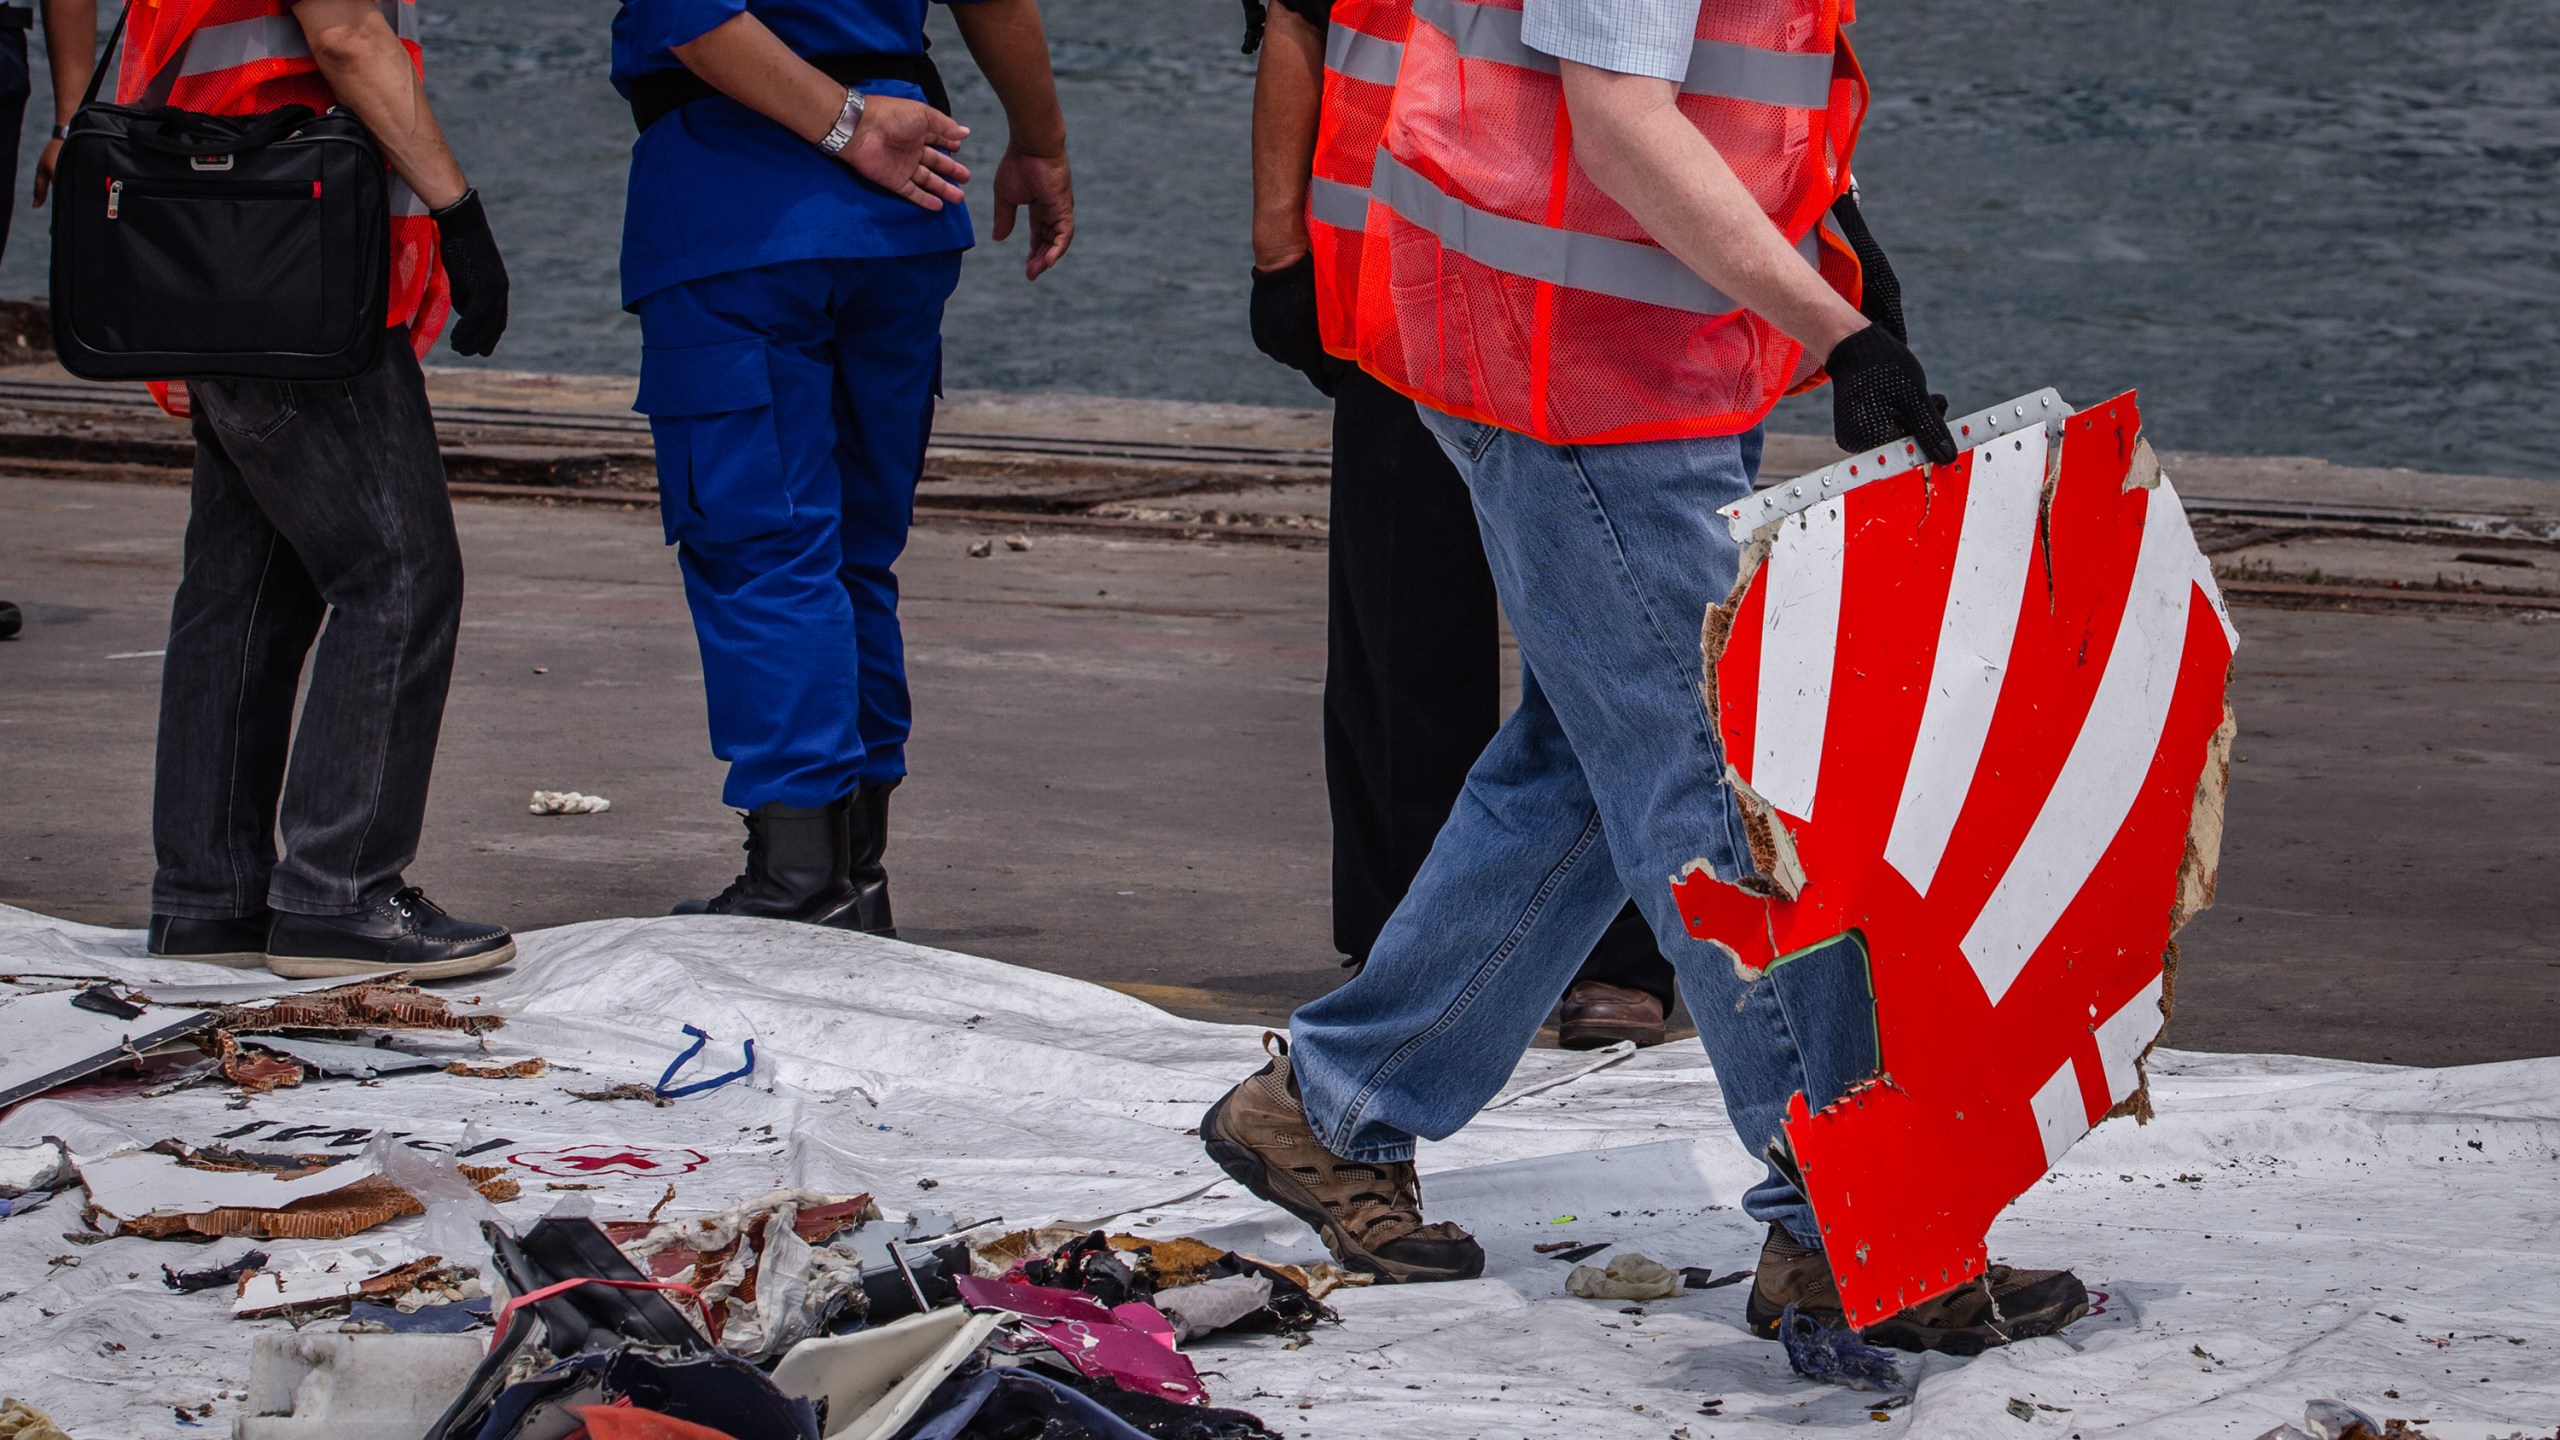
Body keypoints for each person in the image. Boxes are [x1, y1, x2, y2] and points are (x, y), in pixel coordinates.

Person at [1201, 0, 2094, 1355]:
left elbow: (1706, 87)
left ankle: (1331, 1101)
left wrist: (1829, 257)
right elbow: (1615, 124)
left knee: (1583, 764)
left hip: (1634, 350)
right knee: (1712, 775)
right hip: (1575, 365)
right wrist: (1837, 328)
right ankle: (1845, 1221)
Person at [1242, 0, 1677, 1050]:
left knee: (1610, 640)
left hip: (1590, 293)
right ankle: (1406, 939)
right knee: (1402, 623)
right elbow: (1296, 27)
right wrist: (1277, 250)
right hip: (1402, 281)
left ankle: (1619, 951)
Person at [57, 0, 520, 979]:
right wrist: (459, 213)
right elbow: (345, 30)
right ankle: (340, 892)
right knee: (395, 571)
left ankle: (209, 893)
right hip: (291, 238)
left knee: (247, 588)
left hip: (215, 231)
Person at [612, 0, 1072, 934]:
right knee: (854, 552)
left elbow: (687, 13)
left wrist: (842, 121)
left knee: (764, 546)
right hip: (901, 211)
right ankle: (853, 870)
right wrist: (1040, 142)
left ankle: (797, 876)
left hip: (743, 196)